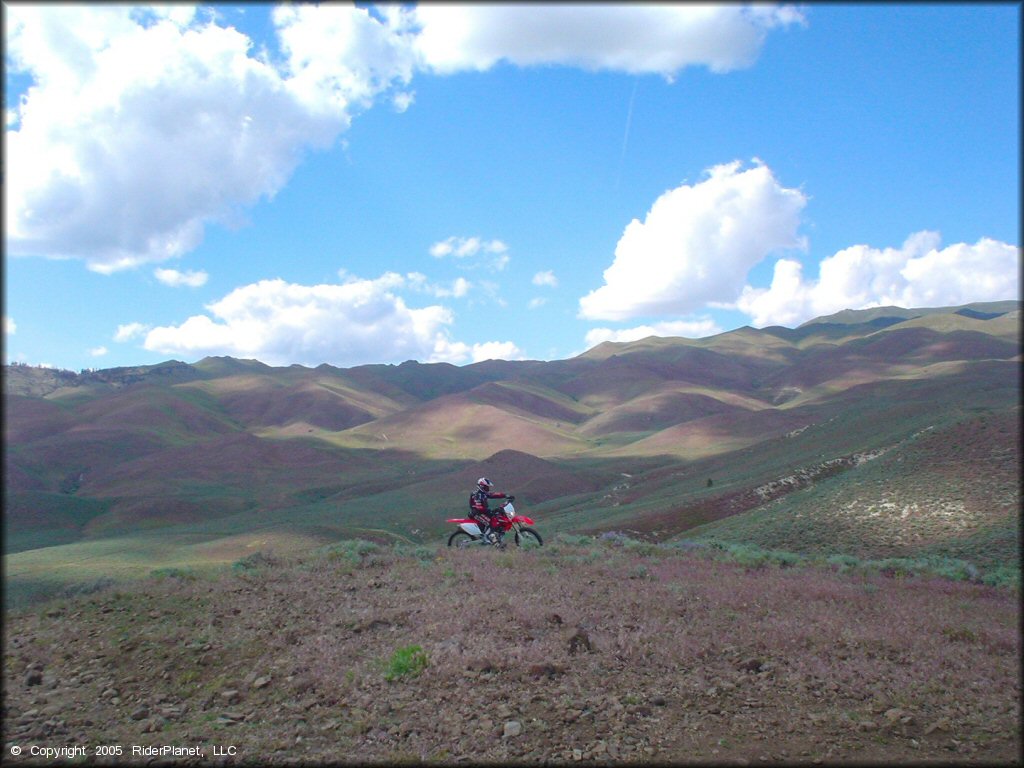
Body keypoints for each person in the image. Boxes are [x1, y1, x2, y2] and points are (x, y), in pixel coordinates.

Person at [468, 477, 513, 545]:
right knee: (491, 522)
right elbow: (479, 507)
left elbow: (493, 494)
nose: (488, 489)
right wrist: (490, 511)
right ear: (482, 486)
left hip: (482, 512)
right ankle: (489, 539)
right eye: (487, 487)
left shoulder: (483, 493)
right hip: (477, 513)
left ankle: (495, 537)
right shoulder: (477, 494)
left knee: (496, 519)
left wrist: (505, 495)